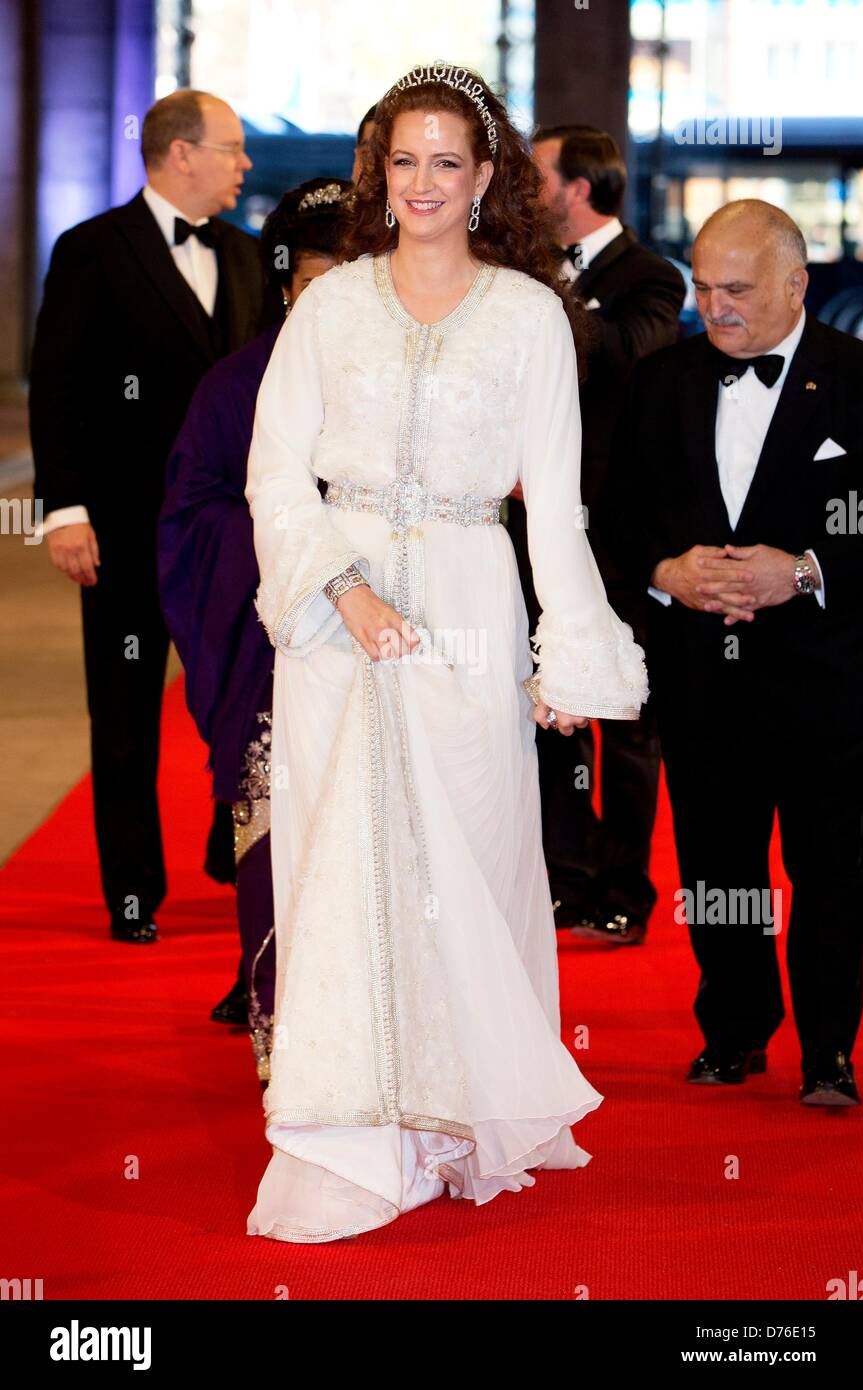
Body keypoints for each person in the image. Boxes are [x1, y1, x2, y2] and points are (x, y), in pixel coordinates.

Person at [243, 63, 648, 1244]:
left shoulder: (530, 317)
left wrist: (568, 655)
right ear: (379, 174)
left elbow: (557, 508)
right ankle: (354, 1131)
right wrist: (343, 586)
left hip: (470, 605)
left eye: (446, 162)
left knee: (465, 858)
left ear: (484, 180)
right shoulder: (328, 306)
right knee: (345, 862)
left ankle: (461, 1112)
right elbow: (274, 471)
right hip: (333, 620)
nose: (421, 183)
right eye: (401, 161)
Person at [612, 199, 863, 1104]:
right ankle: (734, 1031)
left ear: (797, 286)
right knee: (718, 868)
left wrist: (802, 571)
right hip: (699, 681)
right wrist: (665, 571)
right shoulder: (658, 380)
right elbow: (613, 518)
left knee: (833, 871)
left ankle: (829, 1049)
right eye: (703, 288)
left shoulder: (857, 380)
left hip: (830, 682)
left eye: (736, 290)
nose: (714, 307)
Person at [28, 89, 279, 944]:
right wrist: (63, 511)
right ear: (181, 154)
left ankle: (235, 855)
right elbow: (57, 391)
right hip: (128, 531)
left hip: (235, 536)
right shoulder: (92, 251)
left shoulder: (250, 260)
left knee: (241, 702)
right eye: (233, 148)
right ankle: (132, 893)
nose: (245, 165)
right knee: (127, 715)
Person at [158, 178, 354, 1075]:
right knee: (279, 860)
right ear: (285, 288)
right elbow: (190, 519)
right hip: (273, 659)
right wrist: (300, 545)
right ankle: (295, 1054)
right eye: (317, 287)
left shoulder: (406, 384)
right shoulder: (235, 387)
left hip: (391, 661)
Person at [508, 125, 685, 946]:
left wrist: (545, 296)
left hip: (619, 534)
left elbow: (623, 358)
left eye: (535, 175)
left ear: (578, 189)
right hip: (532, 531)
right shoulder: (522, 279)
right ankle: (565, 876)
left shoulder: (649, 278)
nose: (521, 187)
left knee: (628, 723)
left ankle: (625, 889)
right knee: (549, 706)